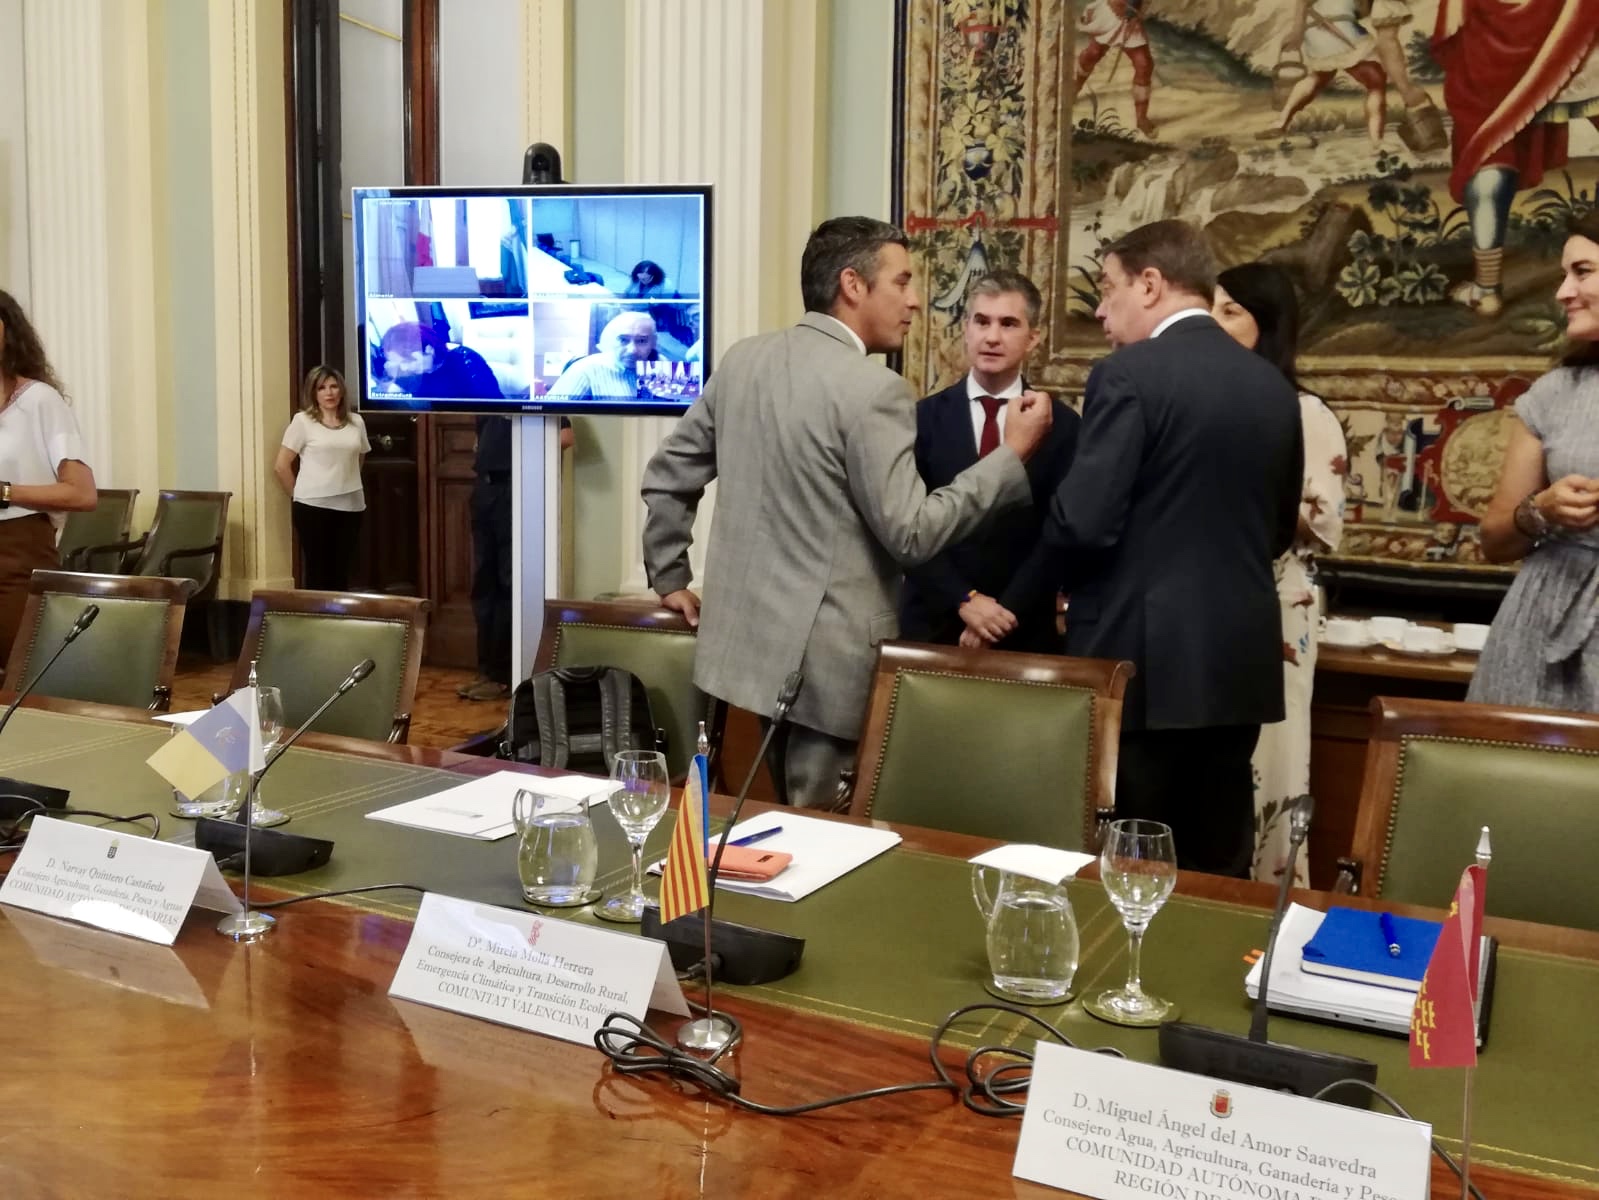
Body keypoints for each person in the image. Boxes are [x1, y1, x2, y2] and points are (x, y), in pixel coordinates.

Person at [640, 216, 1053, 809]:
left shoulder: (744, 360)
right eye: (903, 282)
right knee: (816, 850)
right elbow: (912, 533)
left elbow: (669, 475)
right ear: (854, 285)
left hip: (745, 658)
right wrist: (1011, 454)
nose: (915, 301)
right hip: (825, 672)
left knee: (776, 833)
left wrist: (669, 572)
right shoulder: (874, 390)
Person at [995, 220, 1302, 876]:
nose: (1101, 309)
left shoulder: (1128, 376)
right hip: (1235, 668)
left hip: (1143, 665)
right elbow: (1277, 529)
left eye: (1107, 289)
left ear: (1151, 284)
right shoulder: (1271, 388)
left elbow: (1082, 521)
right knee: (1218, 862)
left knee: (1136, 864)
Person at [1212, 263, 1347, 885]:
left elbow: (1323, 519)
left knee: (1274, 756)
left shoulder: (1306, 412)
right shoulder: (1208, 402)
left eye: (1229, 312)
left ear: (1266, 326)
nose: (1214, 325)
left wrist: (1233, 485)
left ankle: (1272, 899)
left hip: (1278, 610)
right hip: (1213, 606)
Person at [899, 270, 1079, 653]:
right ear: (966, 329)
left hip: (1022, 629)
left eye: (1008, 324)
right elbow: (903, 525)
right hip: (933, 623)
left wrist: (1001, 615)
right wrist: (965, 601)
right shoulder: (921, 418)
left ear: (1034, 338)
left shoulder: (1062, 425)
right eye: (981, 321)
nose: (992, 336)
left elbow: (1058, 533)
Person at [1469, 211, 1599, 710]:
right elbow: (1494, 539)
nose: (1563, 292)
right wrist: (1541, 509)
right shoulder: (1553, 394)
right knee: (1511, 780)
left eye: (1581, 271)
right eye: (1563, 275)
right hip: (1539, 627)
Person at [1432, 1, 1598, 315]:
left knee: (1488, 152)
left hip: (1510, 33)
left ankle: (1487, 289)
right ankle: (1487, 287)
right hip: (1567, 17)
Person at [0, 290, 97, 655]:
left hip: (15, 553)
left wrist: (6, 492)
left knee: (19, 671)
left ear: (10, 333)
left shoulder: (38, 400)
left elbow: (82, 494)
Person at [274, 366, 370, 592]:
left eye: (334, 386)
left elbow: (360, 457)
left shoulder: (356, 422)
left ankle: (339, 622)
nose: (329, 393)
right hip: (313, 506)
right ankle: (316, 621)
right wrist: (298, 496)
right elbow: (281, 466)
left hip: (352, 505)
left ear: (342, 390)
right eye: (322, 388)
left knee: (342, 570)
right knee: (319, 570)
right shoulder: (303, 421)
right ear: (313, 393)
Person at [547, 311, 657, 401]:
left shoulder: (662, 367)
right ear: (612, 341)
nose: (632, 350)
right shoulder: (585, 370)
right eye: (623, 340)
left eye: (642, 341)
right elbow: (550, 413)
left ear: (654, 342)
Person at [380, 321, 503, 400]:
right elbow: (392, 395)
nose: (404, 368)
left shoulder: (466, 362)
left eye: (407, 361)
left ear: (429, 349)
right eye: (400, 364)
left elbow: (492, 404)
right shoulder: (411, 373)